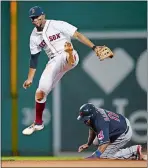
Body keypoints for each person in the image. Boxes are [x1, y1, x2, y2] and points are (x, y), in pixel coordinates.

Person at [22, 6, 113, 135]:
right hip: (54, 62)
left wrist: (94, 47)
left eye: (37, 16)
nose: (35, 20)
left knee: (65, 55)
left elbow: (78, 35)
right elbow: (34, 59)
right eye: (32, 18)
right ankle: (38, 123)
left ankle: (70, 54)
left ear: (43, 15)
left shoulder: (57, 24)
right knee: (40, 92)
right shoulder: (34, 37)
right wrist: (30, 78)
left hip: (68, 55)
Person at [77, 103, 146, 160]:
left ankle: (133, 150)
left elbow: (104, 144)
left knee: (102, 156)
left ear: (92, 116)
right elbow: (92, 127)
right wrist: (88, 144)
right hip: (120, 124)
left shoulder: (100, 122)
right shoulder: (94, 113)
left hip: (123, 132)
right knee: (96, 142)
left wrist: (94, 156)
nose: (84, 121)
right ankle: (128, 155)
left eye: (86, 119)